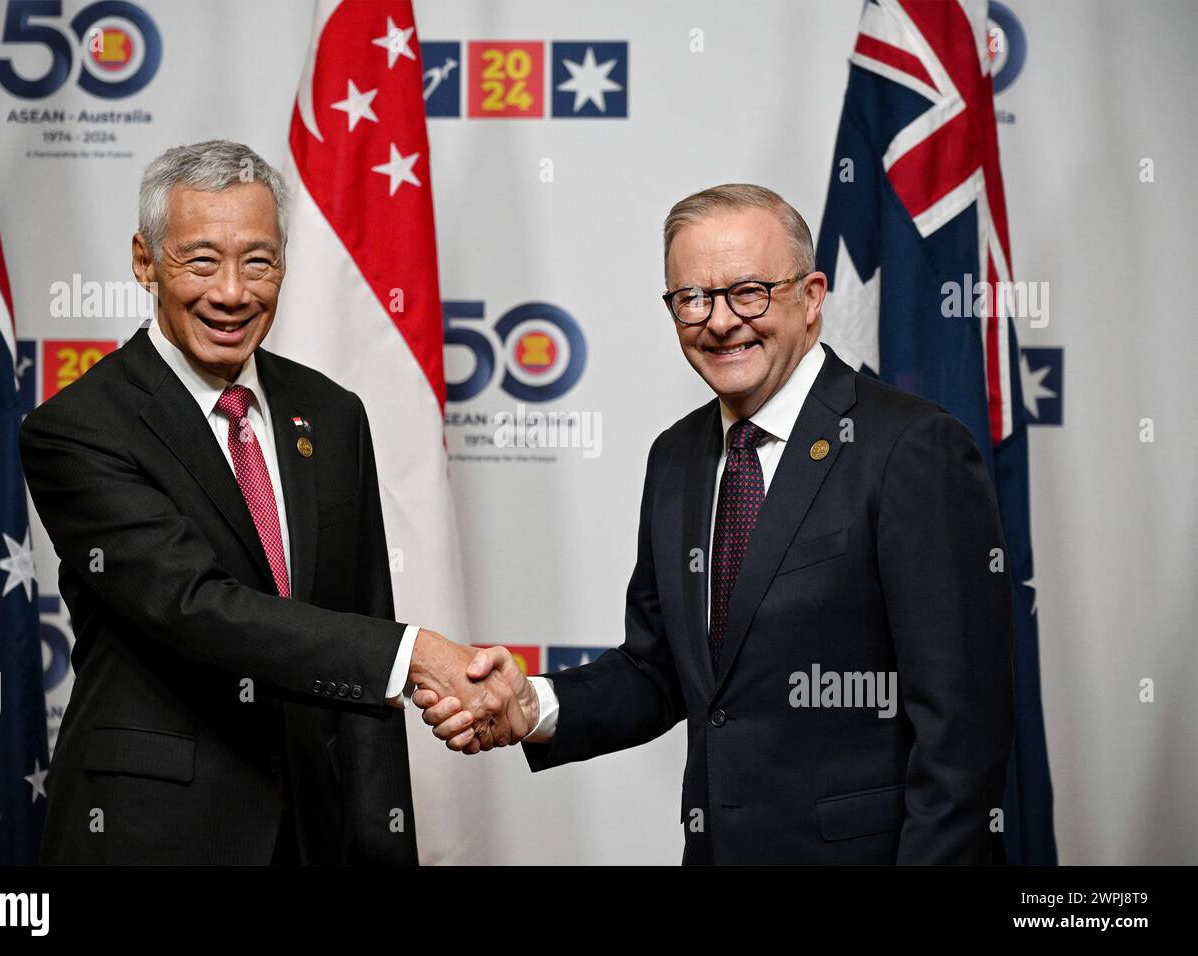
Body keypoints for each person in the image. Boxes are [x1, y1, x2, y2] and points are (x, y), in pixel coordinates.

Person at [416, 184, 1015, 865]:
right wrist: (535, 705)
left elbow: (961, 730)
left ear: (812, 295)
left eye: (750, 291)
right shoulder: (677, 456)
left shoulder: (911, 447)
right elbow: (659, 670)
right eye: (692, 298)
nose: (720, 321)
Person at [19, 140, 526, 865]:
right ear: (143, 261)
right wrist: (418, 655)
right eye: (200, 260)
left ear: (284, 263)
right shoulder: (78, 428)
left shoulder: (330, 412)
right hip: (153, 834)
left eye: (258, 261)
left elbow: (361, 625)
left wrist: (384, 844)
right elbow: (195, 605)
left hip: (313, 833)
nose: (232, 292)